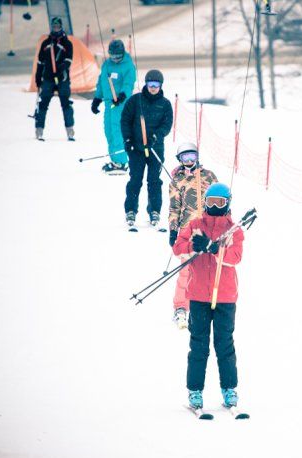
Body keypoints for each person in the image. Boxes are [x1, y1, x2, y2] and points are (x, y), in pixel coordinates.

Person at [172, 183, 243, 410]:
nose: (214, 207)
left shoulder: (234, 229)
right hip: (199, 296)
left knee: (224, 344)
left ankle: (229, 389)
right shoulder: (195, 226)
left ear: (227, 203)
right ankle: (195, 391)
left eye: (219, 203)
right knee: (199, 345)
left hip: (225, 297)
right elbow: (177, 247)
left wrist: (213, 248)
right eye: (211, 202)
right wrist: (195, 243)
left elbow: (235, 257)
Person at [167, 143, 219, 329]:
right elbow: (174, 208)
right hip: (188, 231)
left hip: (208, 229)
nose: (189, 162)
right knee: (186, 270)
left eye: (192, 157)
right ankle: (181, 306)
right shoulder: (177, 181)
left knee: (208, 268)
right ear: (180, 160)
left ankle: (204, 303)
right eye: (185, 158)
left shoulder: (208, 176)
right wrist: (173, 230)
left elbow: (220, 200)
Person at [120, 69, 173, 229]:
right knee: (135, 180)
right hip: (136, 149)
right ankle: (130, 210)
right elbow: (125, 121)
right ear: (146, 84)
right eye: (150, 84)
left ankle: (154, 210)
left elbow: (167, 125)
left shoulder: (165, 104)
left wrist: (156, 136)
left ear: (161, 85)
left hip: (155, 149)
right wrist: (128, 140)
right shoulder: (135, 101)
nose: (153, 87)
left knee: (154, 181)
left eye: (156, 84)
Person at [91, 39, 135, 174]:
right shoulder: (106, 65)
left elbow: (129, 83)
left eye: (118, 56)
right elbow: (102, 82)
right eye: (113, 56)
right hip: (109, 104)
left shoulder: (128, 66)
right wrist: (97, 98)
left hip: (120, 103)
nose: (115, 59)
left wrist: (122, 95)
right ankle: (115, 160)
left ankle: (122, 162)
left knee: (118, 132)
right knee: (108, 131)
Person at [34, 17, 74, 141]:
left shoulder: (67, 43)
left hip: (62, 78)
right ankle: (39, 129)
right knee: (43, 103)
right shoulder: (46, 43)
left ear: (61, 27)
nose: (56, 28)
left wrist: (62, 68)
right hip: (48, 78)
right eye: (54, 26)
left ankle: (70, 130)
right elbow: (40, 62)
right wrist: (38, 76)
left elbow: (69, 60)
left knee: (66, 104)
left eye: (58, 26)